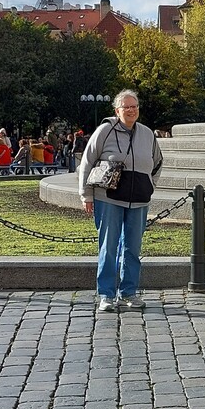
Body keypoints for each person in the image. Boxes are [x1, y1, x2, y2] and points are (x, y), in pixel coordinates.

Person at [78, 89, 163, 313]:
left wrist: (149, 185)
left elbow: (157, 163)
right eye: (126, 107)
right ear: (117, 110)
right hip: (109, 199)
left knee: (133, 248)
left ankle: (129, 293)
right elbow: (87, 162)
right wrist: (86, 194)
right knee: (109, 247)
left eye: (134, 106)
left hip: (139, 201)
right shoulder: (105, 131)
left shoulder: (147, 134)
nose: (131, 110)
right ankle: (106, 294)